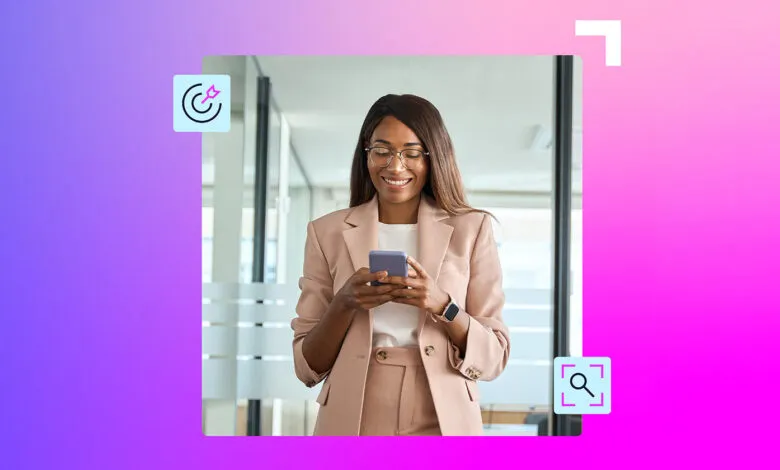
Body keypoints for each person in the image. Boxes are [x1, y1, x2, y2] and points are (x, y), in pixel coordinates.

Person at [291, 94, 509, 436]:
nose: (395, 166)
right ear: (366, 153)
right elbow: (307, 367)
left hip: (443, 410)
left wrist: (442, 305)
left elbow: (494, 356)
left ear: (432, 157)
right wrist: (345, 303)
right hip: (355, 410)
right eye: (382, 150)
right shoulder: (326, 232)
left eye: (411, 153)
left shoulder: (472, 229)